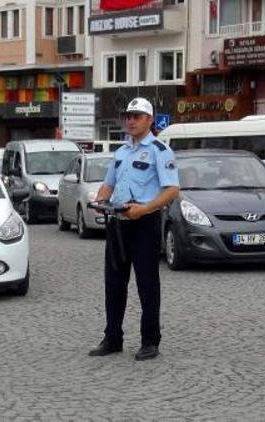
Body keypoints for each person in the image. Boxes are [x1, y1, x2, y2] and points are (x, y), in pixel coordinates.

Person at [89, 97, 180, 361]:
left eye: (136, 116)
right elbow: (109, 183)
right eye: (128, 116)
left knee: (147, 285)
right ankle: (113, 337)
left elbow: (172, 189)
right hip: (118, 222)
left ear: (150, 120)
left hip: (144, 223)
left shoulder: (159, 151)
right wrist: (100, 199)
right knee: (114, 284)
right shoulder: (121, 152)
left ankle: (150, 340)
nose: (130, 120)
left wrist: (145, 208)